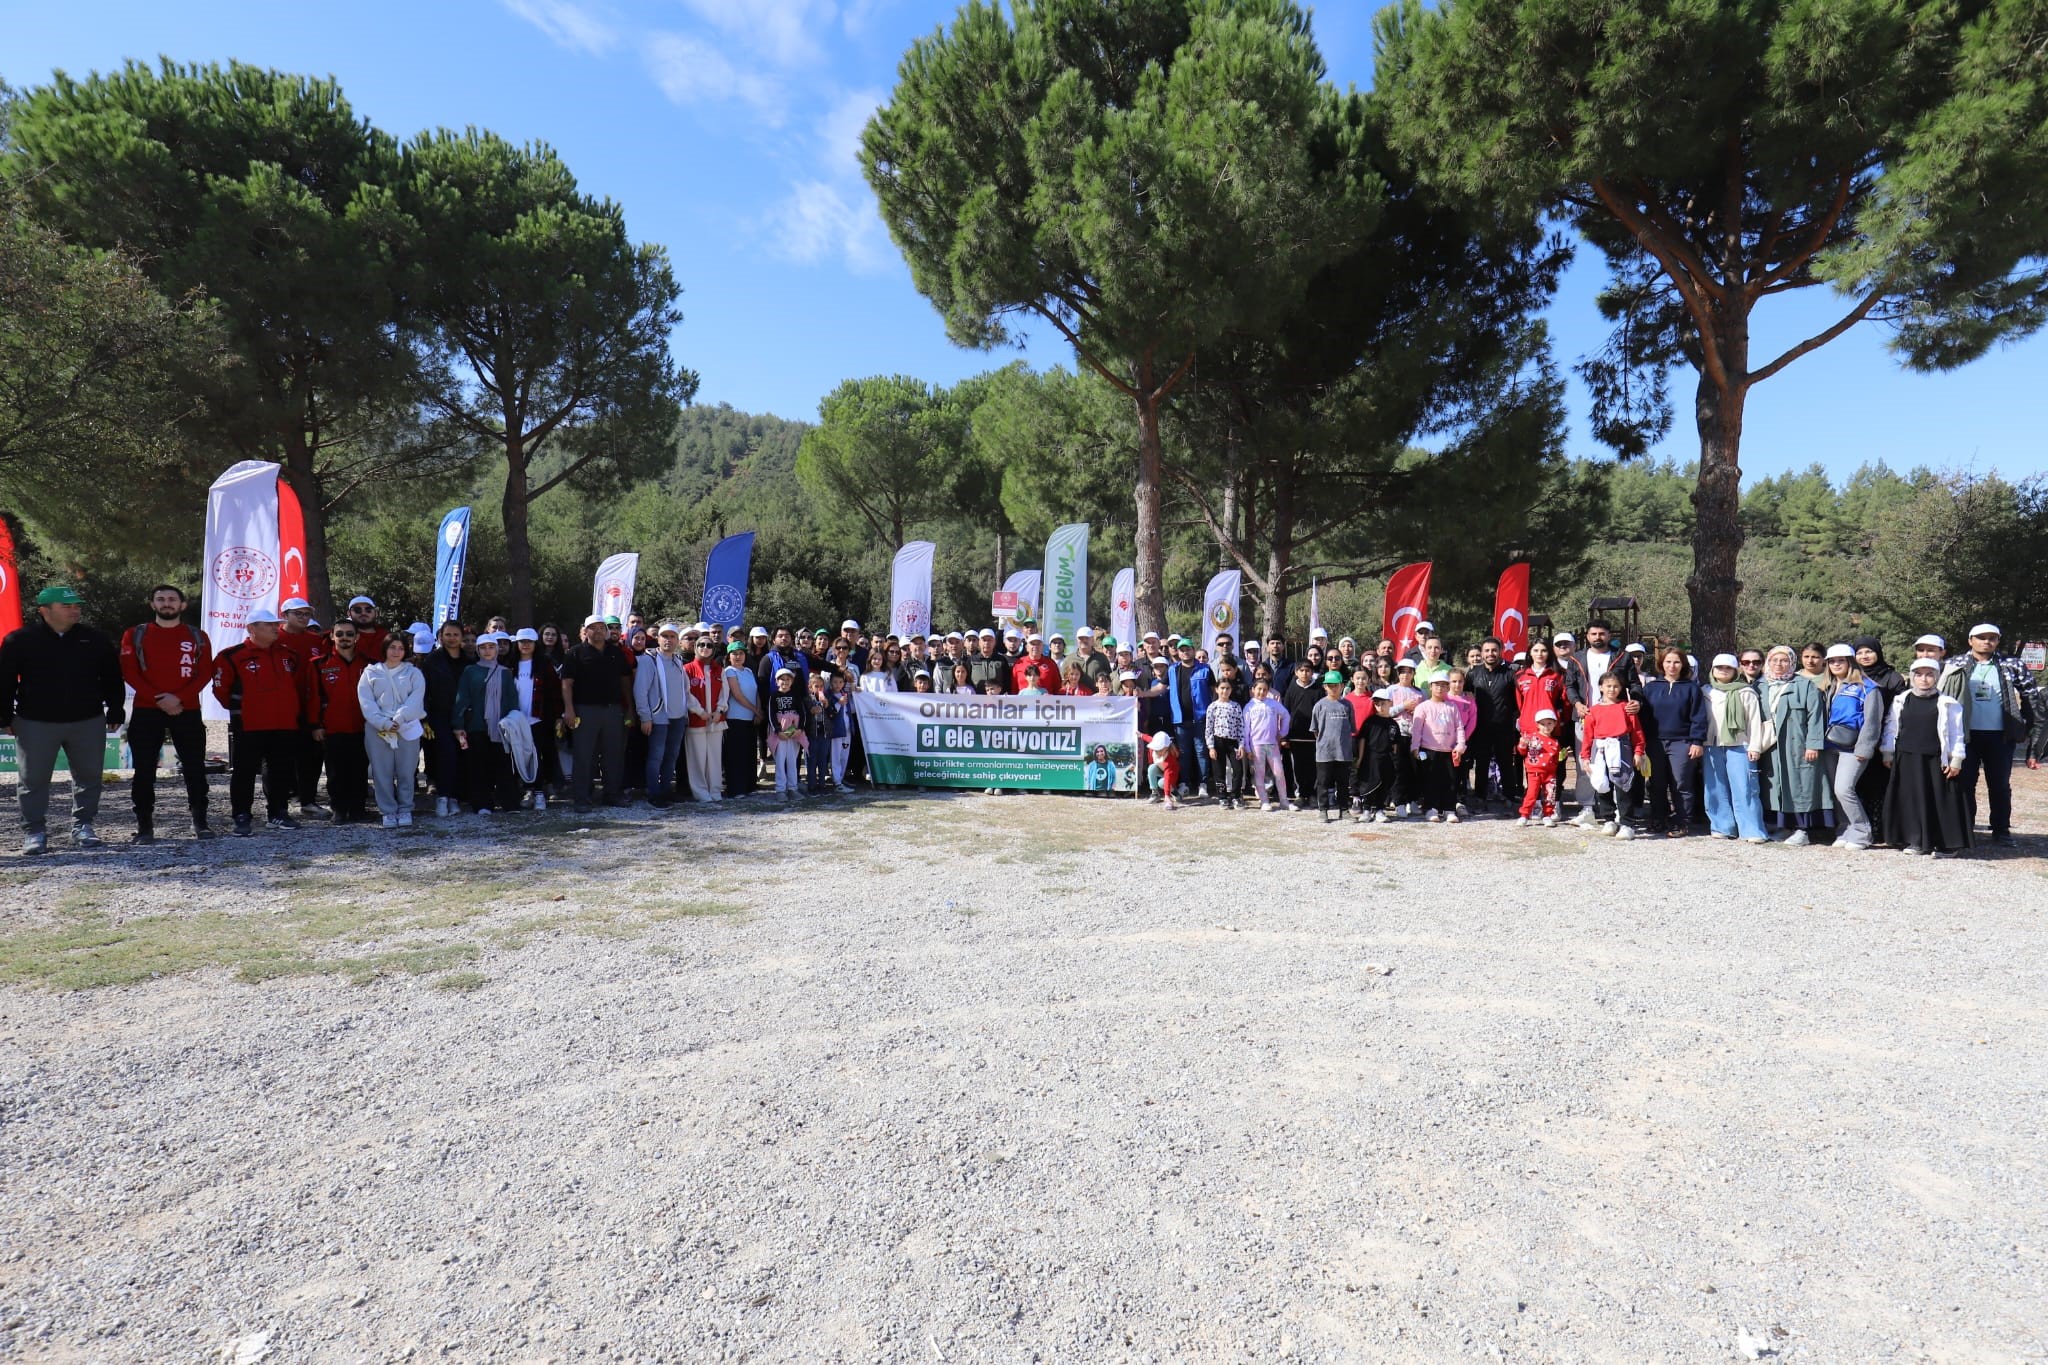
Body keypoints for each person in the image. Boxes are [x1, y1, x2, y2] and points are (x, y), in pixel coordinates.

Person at [0, 585, 125, 854]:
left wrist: (116, 709)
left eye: (77, 605)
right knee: (32, 779)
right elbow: (5, 681)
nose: (74, 610)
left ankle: (83, 826)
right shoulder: (19, 640)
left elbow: (112, 678)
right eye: (66, 606)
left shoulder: (95, 639)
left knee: (89, 776)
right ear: (45, 611)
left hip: (87, 720)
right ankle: (34, 831)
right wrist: (4, 716)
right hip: (35, 722)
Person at [119, 584, 214, 844]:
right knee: (144, 770)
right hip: (148, 710)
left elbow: (205, 672)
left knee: (194, 767)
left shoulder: (198, 635)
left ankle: (200, 821)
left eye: (172, 599)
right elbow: (130, 672)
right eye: (160, 599)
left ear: (182, 605)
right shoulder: (134, 634)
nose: (166, 603)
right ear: (152, 605)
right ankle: (144, 826)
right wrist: (161, 699)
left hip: (187, 709)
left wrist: (178, 698)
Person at [1939, 623, 2043, 848]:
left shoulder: (2012, 665)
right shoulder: (1953, 664)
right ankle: (1965, 828)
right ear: (1970, 640)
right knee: (1964, 783)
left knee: (1999, 784)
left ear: (1997, 641)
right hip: (1965, 736)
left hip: (2000, 735)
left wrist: (2029, 732)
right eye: (1981, 637)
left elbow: (2032, 699)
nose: (1986, 641)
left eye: (1992, 638)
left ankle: (2001, 830)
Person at [210, 607, 304, 836]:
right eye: (268, 624)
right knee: (244, 771)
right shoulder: (231, 655)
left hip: (283, 722)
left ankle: (278, 813)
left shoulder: (287, 654)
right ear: (251, 629)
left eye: (275, 624)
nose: (275, 628)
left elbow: (297, 686)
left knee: (280, 770)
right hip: (249, 723)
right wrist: (243, 709)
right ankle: (242, 815)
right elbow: (221, 690)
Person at [1883, 656, 1972, 855]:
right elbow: (1892, 727)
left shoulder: (1948, 703)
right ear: (1912, 677)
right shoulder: (1901, 699)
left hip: (1936, 760)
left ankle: (1946, 845)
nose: (1924, 679)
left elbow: (1957, 733)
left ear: (1937, 677)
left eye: (1929, 675)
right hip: (1907, 758)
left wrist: (1956, 759)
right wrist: (1887, 752)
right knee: (1912, 799)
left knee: (1940, 801)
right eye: (1919, 675)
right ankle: (1915, 841)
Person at [561, 615, 633, 812]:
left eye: (602, 627)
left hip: (613, 709)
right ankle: (581, 798)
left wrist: (629, 708)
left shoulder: (615, 653)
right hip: (585, 710)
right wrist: (569, 709)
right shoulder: (575, 653)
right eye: (594, 627)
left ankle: (611, 795)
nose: (599, 631)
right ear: (586, 630)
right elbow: (567, 684)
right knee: (584, 755)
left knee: (613, 754)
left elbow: (625, 680)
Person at [1759, 645, 1829, 845]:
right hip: (1770, 747)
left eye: (1784, 661)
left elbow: (1815, 716)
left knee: (1800, 786)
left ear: (1791, 662)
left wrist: (1813, 744)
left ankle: (1802, 830)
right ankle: (1782, 826)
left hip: (1797, 745)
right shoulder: (1761, 686)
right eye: (1774, 660)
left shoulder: (1804, 685)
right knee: (1776, 787)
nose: (1779, 664)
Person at [358, 632, 426, 828]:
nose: (396, 652)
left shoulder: (413, 673)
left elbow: (416, 698)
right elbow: (366, 702)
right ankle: (388, 811)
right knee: (382, 771)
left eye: (401, 648)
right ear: (385, 649)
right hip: (377, 728)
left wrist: (400, 718)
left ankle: (405, 808)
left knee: (407, 770)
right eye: (392, 647)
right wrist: (383, 722)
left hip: (406, 725)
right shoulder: (370, 672)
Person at [308, 619, 373, 823]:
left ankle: (358, 810)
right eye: (340, 634)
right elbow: (313, 697)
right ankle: (339, 809)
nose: (344, 638)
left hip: (363, 726)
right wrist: (315, 725)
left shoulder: (369, 664)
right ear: (332, 636)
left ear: (357, 637)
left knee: (360, 769)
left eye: (349, 634)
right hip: (333, 727)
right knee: (336, 771)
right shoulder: (319, 664)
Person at [1700, 654, 1769, 844]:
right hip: (1712, 745)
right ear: (1712, 670)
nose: (1723, 670)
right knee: (1715, 788)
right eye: (1719, 667)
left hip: (1740, 745)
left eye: (1728, 668)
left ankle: (1751, 829)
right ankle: (1722, 826)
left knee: (1745, 787)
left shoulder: (1745, 692)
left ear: (1735, 671)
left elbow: (1754, 721)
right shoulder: (1706, 692)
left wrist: (1755, 746)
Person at [1820, 644, 1883, 851]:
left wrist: (1865, 748)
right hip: (1830, 746)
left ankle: (1862, 832)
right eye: (1832, 661)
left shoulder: (1867, 687)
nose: (1836, 664)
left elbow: (1872, 721)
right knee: (1834, 791)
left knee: (1844, 789)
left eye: (1841, 660)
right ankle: (1845, 830)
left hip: (1853, 747)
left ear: (1850, 662)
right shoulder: (1828, 686)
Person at [453, 632, 524, 816]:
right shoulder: (470, 671)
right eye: (483, 647)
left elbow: (511, 698)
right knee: (478, 766)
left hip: (500, 727)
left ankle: (509, 803)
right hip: (476, 725)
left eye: (491, 647)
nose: (487, 651)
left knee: (503, 765)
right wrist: (458, 724)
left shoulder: (505, 672)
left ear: (497, 649)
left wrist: (511, 720)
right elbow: (462, 699)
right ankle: (482, 804)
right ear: (477, 650)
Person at [1640, 647, 1705, 837]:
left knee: (1681, 783)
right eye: (1668, 662)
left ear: (1683, 664)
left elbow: (1699, 717)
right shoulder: (1651, 687)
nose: (1672, 666)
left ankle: (1681, 821)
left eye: (1676, 662)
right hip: (1655, 742)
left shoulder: (1691, 688)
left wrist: (1697, 741)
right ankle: (1658, 818)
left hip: (1682, 742)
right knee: (1657, 783)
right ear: (1662, 664)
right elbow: (1643, 717)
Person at [1851, 635, 1905, 840]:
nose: (1864, 656)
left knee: (1880, 785)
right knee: (1857, 784)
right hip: (1856, 738)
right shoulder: (1852, 675)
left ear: (1878, 653)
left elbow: (1898, 711)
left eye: (1869, 652)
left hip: (1883, 739)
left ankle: (1880, 829)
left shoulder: (1892, 677)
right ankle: (1859, 826)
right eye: (1860, 653)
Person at [1579, 671, 1646, 838]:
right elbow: (1588, 736)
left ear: (1621, 688)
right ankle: (1608, 818)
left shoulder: (1626, 707)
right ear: (1601, 687)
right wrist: (1585, 757)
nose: (1612, 689)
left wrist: (1638, 752)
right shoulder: (1593, 711)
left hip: (1620, 748)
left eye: (1616, 686)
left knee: (1623, 785)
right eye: (1608, 686)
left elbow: (1637, 733)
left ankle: (1626, 823)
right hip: (1600, 749)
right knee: (1602, 784)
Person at [419, 622, 471, 817]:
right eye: (447, 634)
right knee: (445, 754)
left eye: (455, 634)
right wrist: (425, 718)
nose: (451, 638)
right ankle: (443, 797)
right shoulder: (432, 660)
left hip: (463, 716)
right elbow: (424, 691)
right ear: (440, 637)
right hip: (438, 715)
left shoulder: (469, 660)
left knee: (461, 754)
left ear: (461, 637)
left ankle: (455, 798)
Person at [635, 623, 689, 808]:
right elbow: (640, 690)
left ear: (677, 641)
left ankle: (666, 790)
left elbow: (683, 689)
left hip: (678, 717)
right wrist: (645, 716)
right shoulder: (648, 659)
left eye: (672, 636)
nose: (668, 640)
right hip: (658, 718)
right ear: (658, 639)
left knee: (671, 756)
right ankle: (654, 793)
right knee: (656, 757)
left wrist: (685, 713)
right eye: (664, 636)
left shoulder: (678, 660)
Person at [508, 628, 563, 809]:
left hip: (539, 719)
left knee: (537, 756)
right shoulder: (510, 664)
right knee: (519, 757)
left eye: (529, 642)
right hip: (515, 719)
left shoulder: (544, 664)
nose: (525, 645)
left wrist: (558, 716)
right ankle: (526, 790)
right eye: (522, 642)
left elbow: (555, 692)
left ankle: (538, 792)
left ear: (535, 644)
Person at [1463, 638, 1520, 814]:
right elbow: (1466, 697)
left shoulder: (1509, 673)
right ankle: (1480, 797)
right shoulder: (1473, 674)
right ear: (1482, 652)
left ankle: (1509, 797)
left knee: (1506, 763)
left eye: (1494, 650)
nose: (1490, 654)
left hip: (1504, 727)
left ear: (1501, 651)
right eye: (1486, 651)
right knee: (1481, 764)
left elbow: (1517, 702)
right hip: (1480, 728)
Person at [1410, 675, 1468, 823]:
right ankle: (1431, 808)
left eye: (1443, 685)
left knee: (1450, 780)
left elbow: (1459, 727)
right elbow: (1416, 729)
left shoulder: (1452, 707)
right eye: (1437, 685)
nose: (1440, 688)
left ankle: (1449, 809)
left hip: (1449, 751)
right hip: (1429, 750)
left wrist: (1461, 745)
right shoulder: (1423, 707)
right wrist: (1415, 747)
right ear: (1430, 687)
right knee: (1430, 780)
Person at [1309, 670, 1356, 824]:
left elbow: (1351, 728)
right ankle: (1323, 810)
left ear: (1342, 686)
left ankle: (1344, 810)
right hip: (1324, 752)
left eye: (1336, 685)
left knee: (1343, 783)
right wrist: (1324, 742)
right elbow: (1315, 730)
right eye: (1330, 686)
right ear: (1324, 687)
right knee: (1323, 783)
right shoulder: (1319, 705)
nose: (1333, 688)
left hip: (1343, 752)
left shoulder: (1348, 705)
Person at [1242, 677, 1293, 812]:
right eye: (1259, 689)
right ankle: (1264, 800)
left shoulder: (1273, 704)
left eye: (1265, 689)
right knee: (1259, 773)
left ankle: (1284, 800)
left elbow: (1286, 715)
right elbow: (1245, 729)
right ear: (1253, 690)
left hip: (1272, 744)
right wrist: (1247, 748)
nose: (1262, 692)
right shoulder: (1249, 707)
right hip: (1256, 745)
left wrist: (1282, 733)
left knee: (1279, 772)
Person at [723, 640, 761, 797]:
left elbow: (756, 692)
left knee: (748, 753)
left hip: (750, 719)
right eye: (734, 654)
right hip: (735, 718)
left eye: (740, 653)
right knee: (735, 755)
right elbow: (737, 695)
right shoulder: (729, 671)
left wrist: (758, 710)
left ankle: (749, 786)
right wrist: (755, 710)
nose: (738, 656)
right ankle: (735, 788)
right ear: (729, 656)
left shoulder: (749, 671)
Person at [1355, 689, 1399, 822]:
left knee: (1384, 784)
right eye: (1377, 704)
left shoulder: (1393, 724)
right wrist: (1360, 758)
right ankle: (1367, 809)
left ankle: (1380, 809)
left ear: (1390, 703)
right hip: (1371, 757)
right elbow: (1362, 740)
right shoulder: (1370, 722)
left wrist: (1394, 759)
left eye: (1383, 703)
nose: (1380, 706)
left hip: (1386, 758)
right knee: (1369, 783)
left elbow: (1395, 744)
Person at [766, 667, 807, 804]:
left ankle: (792, 788)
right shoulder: (774, 696)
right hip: (780, 733)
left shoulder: (796, 695)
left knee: (792, 760)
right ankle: (780, 789)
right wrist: (778, 731)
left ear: (792, 681)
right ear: (777, 681)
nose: (785, 682)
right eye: (782, 679)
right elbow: (771, 715)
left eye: (788, 679)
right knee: (780, 761)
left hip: (793, 731)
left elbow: (802, 713)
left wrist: (799, 729)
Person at [1204, 675, 1246, 810]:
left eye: (1227, 688)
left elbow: (1241, 726)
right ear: (1216, 689)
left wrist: (1241, 745)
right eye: (1222, 688)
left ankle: (1236, 796)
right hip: (1218, 741)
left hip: (1233, 742)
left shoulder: (1235, 706)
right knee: (1219, 771)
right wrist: (1211, 747)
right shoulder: (1212, 707)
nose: (1225, 691)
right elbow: (1209, 728)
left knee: (1238, 770)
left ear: (1231, 690)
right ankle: (1222, 797)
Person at [1517, 710, 1564, 827]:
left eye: (1549, 723)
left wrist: (1562, 756)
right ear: (1537, 725)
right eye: (1543, 724)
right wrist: (1522, 744)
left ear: (1555, 724)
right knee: (1531, 794)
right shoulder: (1532, 738)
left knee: (1550, 795)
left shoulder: (1555, 742)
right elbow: (1522, 752)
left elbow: (1557, 759)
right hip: (1535, 772)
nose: (1546, 727)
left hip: (1550, 773)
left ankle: (1547, 815)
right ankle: (1524, 815)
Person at [344, 595, 388, 661]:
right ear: (349, 613)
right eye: (357, 610)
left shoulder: (387, 637)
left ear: (376, 613)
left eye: (368, 610)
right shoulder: (340, 637)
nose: (363, 613)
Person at [1145, 729, 1180, 811]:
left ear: (1166, 748)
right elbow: (1149, 738)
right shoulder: (1155, 749)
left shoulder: (1170, 758)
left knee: (1162, 783)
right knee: (1151, 768)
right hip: (1161, 769)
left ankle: (1174, 792)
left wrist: (1166, 796)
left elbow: (1167, 777)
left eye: (1159, 749)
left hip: (1171, 776)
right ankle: (1155, 794)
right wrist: (1141, 735)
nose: (1156, 751)